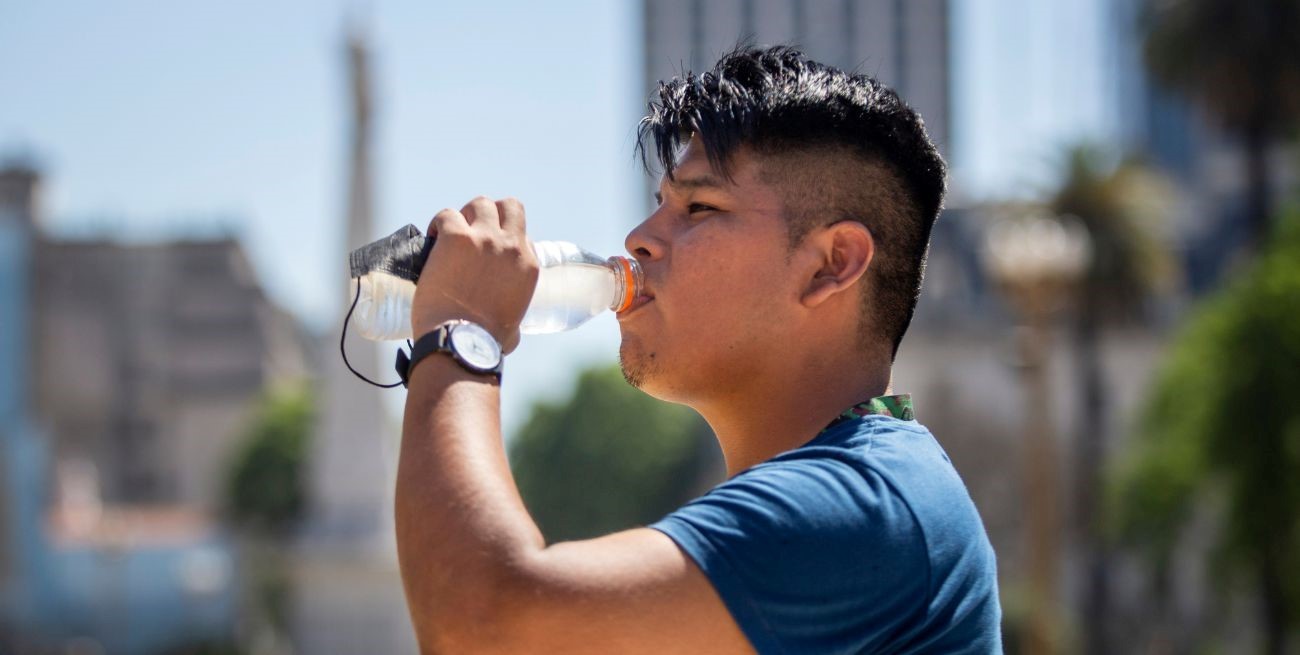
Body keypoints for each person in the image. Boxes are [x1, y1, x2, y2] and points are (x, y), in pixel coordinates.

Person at [394, 46, 1001, 654]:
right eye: (661, 202)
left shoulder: (863, 501)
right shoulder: (855, 487)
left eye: (700, 207)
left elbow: (481, 626)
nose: (639, 238)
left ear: (830, 265)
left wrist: (461, 335)